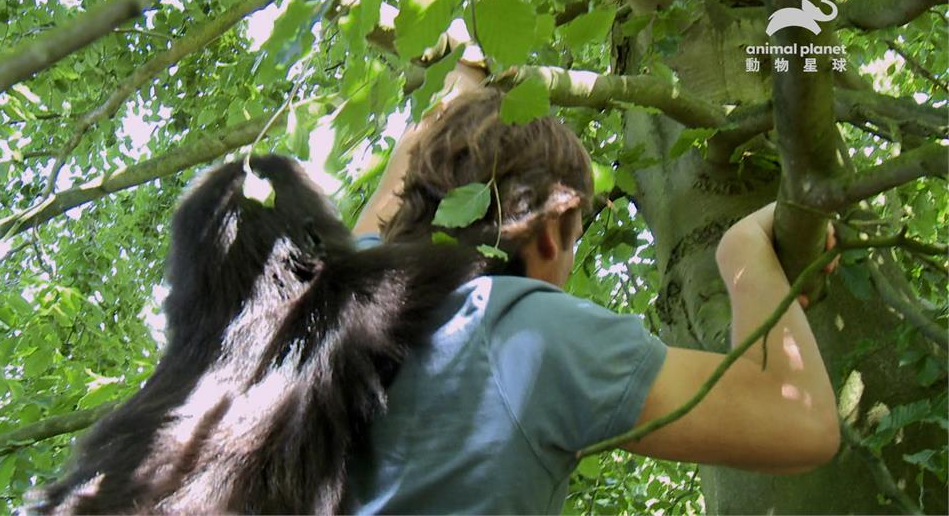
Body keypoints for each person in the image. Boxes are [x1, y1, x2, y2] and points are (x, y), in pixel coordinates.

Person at [341, 61, 840, 514]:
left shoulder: (343, 289)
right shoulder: (527, 336)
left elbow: (398, 183)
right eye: (577, 235)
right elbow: (799, 420)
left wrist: (460, 82)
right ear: (552, 232)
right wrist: (743, 253)